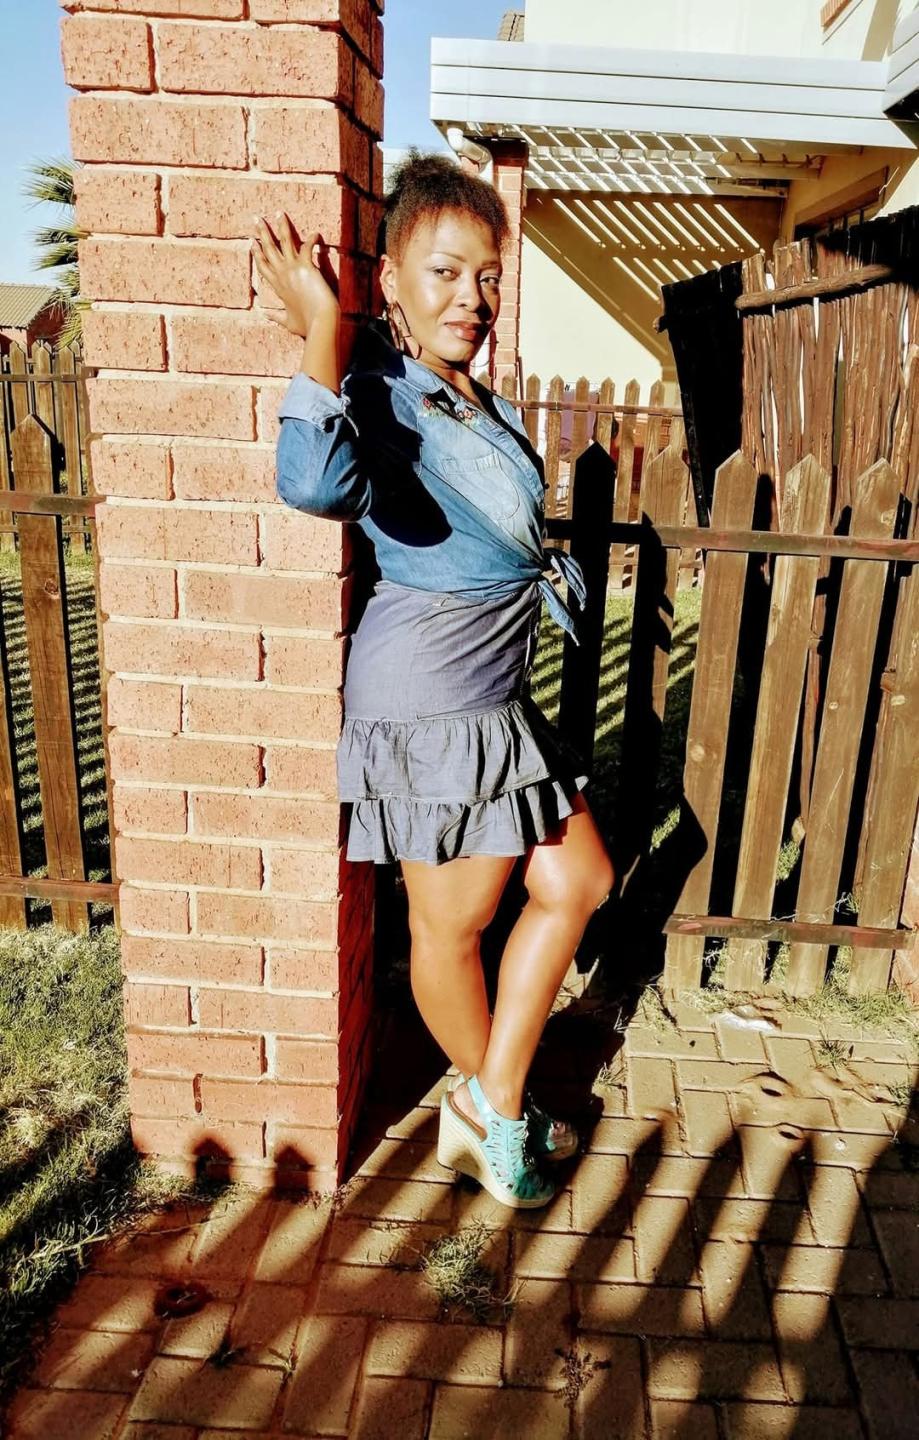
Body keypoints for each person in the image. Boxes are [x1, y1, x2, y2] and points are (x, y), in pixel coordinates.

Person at [253, 150, 615, 1210]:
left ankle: (490, 1098)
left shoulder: (462, 397)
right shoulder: (381, 389)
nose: (472, 298)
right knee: (451, 929)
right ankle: (498, 1116)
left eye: (488, 276)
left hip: (490, 694)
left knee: (578, 881)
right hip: (432, 700)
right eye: (446, 272)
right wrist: (323, 328)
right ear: (392, 281)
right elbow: (310, 482)